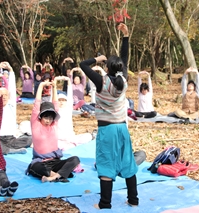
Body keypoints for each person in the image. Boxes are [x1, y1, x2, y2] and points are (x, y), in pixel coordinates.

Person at [80, 23, 138, 209]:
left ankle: (105, 203)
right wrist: (126, 36)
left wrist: (97, 59)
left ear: (108, 68)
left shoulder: (101, 81)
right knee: (127, 162)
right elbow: (125, 57)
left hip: (107, 129)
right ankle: (134, 200)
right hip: (122, 127)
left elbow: (83, 65)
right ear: (121, 68)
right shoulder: (124, 81)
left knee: (106, 163)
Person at [26, 80, 80, 183]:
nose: (48, 120)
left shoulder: (54, 125)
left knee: (75, 159)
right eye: (46, 117)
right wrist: (41, 85)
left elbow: (56, 106)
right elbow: (36, 105)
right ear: (40, 117)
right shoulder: (36, 125)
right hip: (41, 162)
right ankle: (56, 175)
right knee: (35, 167)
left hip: (55, 161)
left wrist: (55, 87)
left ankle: (54, 177)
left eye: (51, 118)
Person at [54, 76, 93, 150]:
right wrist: (55, 81)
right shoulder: (55, 110)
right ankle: (70, 145)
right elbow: (53, 97)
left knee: (88, 136)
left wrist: (69, 80)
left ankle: (71, 144)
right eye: (60, 100)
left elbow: (70, 94)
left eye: (63, 100)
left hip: (70, 137)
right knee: (57, 145)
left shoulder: (68, 108)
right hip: (59, 139)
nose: (61, 102)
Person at [0, 88, 32, 154]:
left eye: (5, 95)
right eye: (2, 95)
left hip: (10, 138)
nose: (4, 97)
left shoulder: (11, 106)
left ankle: (7, 148)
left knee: (29, 140)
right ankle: (10, 150)